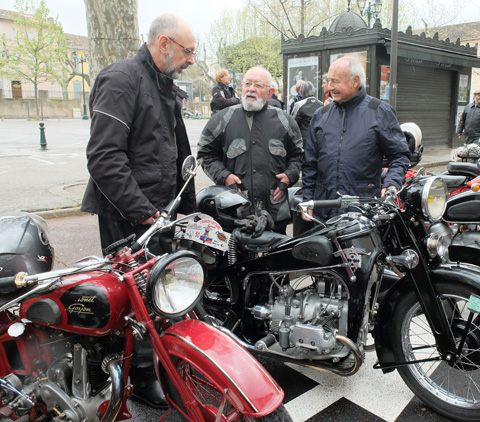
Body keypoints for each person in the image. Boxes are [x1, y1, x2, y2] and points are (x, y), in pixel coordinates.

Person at [80, 14, 197, 409]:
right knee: (135, 301)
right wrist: (143, 211)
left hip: (157, 213)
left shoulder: (162, 84)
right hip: (128, 214)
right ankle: (139, 375)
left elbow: (179, 155)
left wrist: (187, 211)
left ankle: (159, 365)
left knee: (160, 295)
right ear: (165, 43)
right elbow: (103, 157)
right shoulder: (122, 78)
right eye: (188, 51)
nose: (191, 60)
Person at [302, 56, 410, 221]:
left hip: (363, 213)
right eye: (328, 81)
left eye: (335, 81)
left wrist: (392, 183)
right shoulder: (321, 115)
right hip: (324, 211)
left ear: (355, 81)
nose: (329, 87)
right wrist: (308, 199)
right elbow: (310, 163)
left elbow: (399, 155)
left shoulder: (380, 112)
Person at [197, 66, 303, 232]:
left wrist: (290, 175)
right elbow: (205, 154)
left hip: (275, 213)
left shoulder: (285, 121)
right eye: (247, 84)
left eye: (258, 85)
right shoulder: (222, 119)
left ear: (270, 92)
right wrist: (224, 176)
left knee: (277, 257)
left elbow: (298, 156)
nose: (251, 89)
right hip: (236, 213)